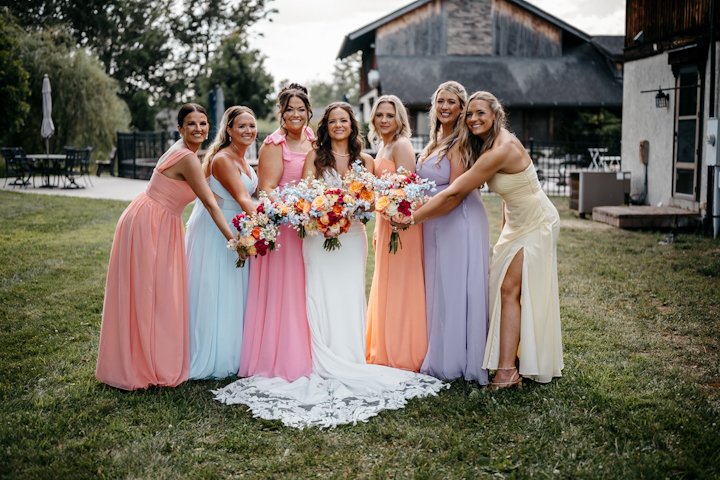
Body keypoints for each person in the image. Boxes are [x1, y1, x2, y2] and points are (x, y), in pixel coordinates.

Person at [213, 103, 446, 428]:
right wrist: (322, 217)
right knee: (318, 294)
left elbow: (372, 200)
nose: (339, 125)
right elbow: (305, 198)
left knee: (349, 295)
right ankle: (320, 358)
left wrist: (351, 212)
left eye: (344, 121)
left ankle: (349, 358)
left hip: (351, 239)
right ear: (326, 126)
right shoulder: (315, 156)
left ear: (352, 126)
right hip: (318, 238)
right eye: (333, 121)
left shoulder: (364, 161)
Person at [395, 91, 563, 389]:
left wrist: (413, 218)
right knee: (503, 290)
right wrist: (505, 229)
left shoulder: (501, 149)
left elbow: (456, 192)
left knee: (509, 289)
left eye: (480, 113)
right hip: (515, 223)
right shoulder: (489, 143)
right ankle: (513, 361)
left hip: (537, 223)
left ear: (496, 115)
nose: (473, 119)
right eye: (470, 114)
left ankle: (508, 371)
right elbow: (509, 195)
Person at [96, 103, 235, 391]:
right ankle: (143, 364)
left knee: (149, 291)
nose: (199, 129)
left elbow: (211, 194)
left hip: (152, 217)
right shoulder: (186, 158)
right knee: (150, 291)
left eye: (203, 123)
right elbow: (209, 202)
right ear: (180, 128)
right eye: (192, 124)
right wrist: (231, 238)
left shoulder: (186, 153)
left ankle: (140, 357)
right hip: (152, 223)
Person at [238, 84, 314, 381]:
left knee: (305, 289)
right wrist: (291, 209)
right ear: (280, 113)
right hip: (284, 227)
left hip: (309, 224)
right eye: (289, 110)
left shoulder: (313, 139)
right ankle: (280, 356)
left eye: (300, 109)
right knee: (286, 289)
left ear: (309, 112)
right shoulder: (273, 144)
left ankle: (308, 352)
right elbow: (267, 189)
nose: (295, 115)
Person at [416, 81, 490, 384]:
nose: (445, 107)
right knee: (440, 288)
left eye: (451, 102)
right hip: (434, 220)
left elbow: (457, 191)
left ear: (461, 108)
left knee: (456, 287)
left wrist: (419, 214)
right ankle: (441, 351)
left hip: (457, 219)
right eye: (440, 101)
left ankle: (458, 360)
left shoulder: (460, 142)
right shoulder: (436, 139)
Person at [185, 106, 258, 380]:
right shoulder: (224, 160)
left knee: (233, 289)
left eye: (252, 126)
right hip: (220, 231)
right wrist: (268, 224)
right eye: (242, 126)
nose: (248, 131)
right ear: (229, 130)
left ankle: (233, 350)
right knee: (218, 288)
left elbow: (254, 194)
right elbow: (242, 197)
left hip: (238, 227)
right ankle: (214, 353)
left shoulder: (244, 160)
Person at [365, 95, 428, 372]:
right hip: (384, 221)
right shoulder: (382, 146)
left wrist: (396, 216)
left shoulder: (401, 145)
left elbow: (409, 190)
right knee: (387, 283)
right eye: (380, 115)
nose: (384, 120)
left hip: (401, 225)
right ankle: (386, 346)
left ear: (400, 118)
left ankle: (403, 351)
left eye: (390, 115)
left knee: (402, 285)